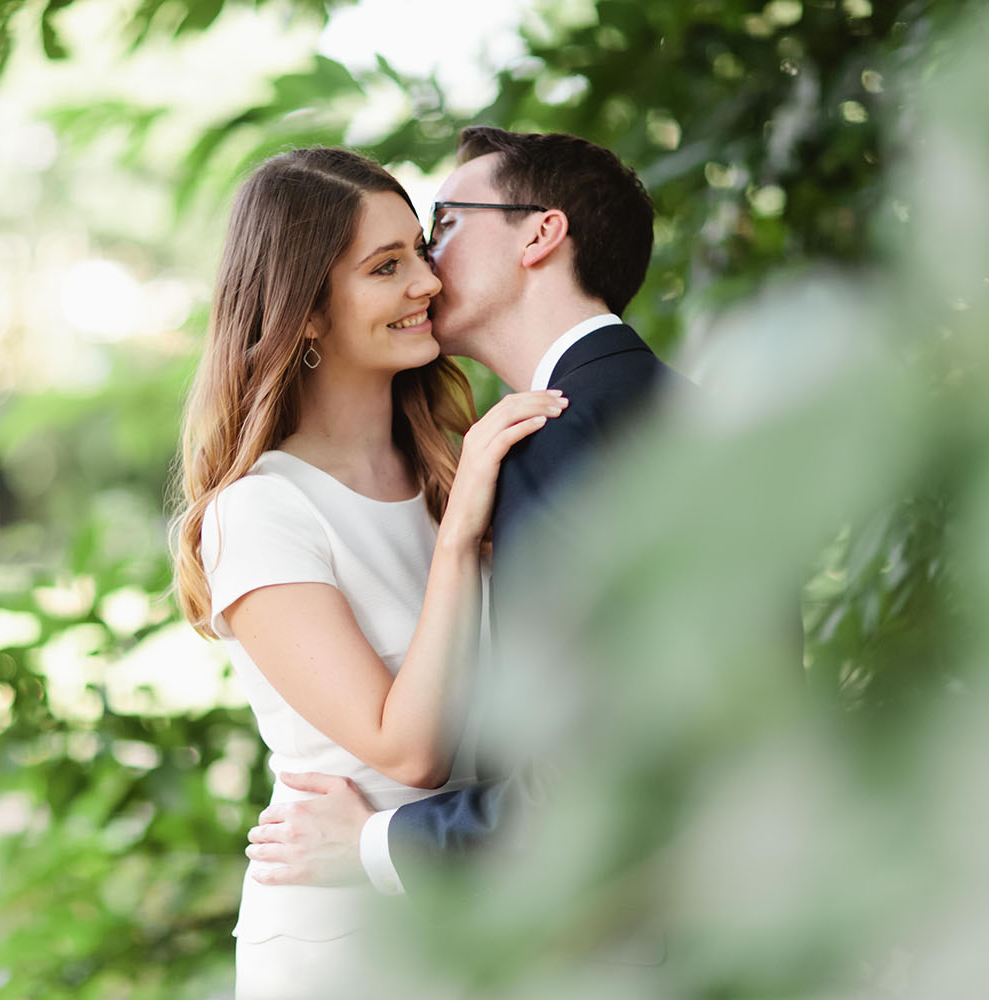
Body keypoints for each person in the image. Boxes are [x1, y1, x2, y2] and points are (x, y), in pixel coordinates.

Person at [242, 127, 686, 901]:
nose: (428, 274)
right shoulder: (662, 408)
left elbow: (608, 765)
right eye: (394, 261)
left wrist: (379, 842)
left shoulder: (560, 441)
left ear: (542, 234)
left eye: (440, 229)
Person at [171, 147, 568, 997]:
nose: (426, 282)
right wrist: (461, 537)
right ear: (305, 313)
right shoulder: (260, 514)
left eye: (420, 251)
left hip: (475, 921)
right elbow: (409, 750)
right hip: (342, 941)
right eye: (385, 267)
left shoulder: (449, 469)